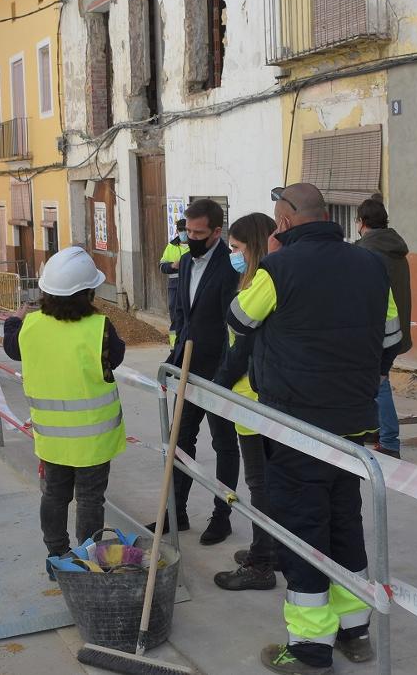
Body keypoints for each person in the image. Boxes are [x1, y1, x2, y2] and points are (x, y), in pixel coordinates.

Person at [229, 183, 390, 674]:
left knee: (303, 531)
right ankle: (355, 630)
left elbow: (238, 319)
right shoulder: (370, 265)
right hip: (355, 427)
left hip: (297, 427)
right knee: (345, 522)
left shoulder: (277, 269)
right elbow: (392, 339)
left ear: (285, 223)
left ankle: (308, 648)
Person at [1, 246, 127, 579]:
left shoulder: (29, 327)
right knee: (90, 499)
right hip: (94, 440)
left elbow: (11, 346)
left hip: (53, 439)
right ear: (87, 293)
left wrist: (12, 321)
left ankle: (57, 555)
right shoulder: (100, 327)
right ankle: (87, 562)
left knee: (55, 495)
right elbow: (115, 358)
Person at [149, 198, 240, 545]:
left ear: (217, 232)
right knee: (180, 440)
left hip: (220, 373)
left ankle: (222, 516)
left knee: (224, 445)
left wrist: (226, 371)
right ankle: (176, 512)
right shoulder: (185, 263)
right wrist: (174, 358)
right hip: (188, 368)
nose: (191, 237)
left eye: (199, 232)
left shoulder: (231, 267)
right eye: (188, 230)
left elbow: (231, 324)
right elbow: (187, 318)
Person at [212, 213, 279, 592]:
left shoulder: (262, 284)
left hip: (253, 400)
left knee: (260, 484)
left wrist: (219, 382)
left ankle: (261, 563)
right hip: (254, 398)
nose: (232, 255)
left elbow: (244, 347)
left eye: (236, 248)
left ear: (252, 246)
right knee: (268, 483)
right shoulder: (257, 280)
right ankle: (269, 546)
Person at [355, 194, 409, 459]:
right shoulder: (395, 248)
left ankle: (389, 441)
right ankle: (376, 432)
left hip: (377, 327)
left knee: (379, 383)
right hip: (395, 326)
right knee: (373, 381)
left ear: (362, 222)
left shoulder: (366, 251)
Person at [159, 218, 190, 346]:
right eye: (181, 230)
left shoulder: (196, 247)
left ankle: (186, 346)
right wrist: (172, 266)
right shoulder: (171, 246)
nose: (183, 233)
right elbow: (161, 267)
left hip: (189, 287)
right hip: (175, 288)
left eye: (185, 230)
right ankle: (174, 347)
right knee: (175, 318)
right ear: (177, 231)